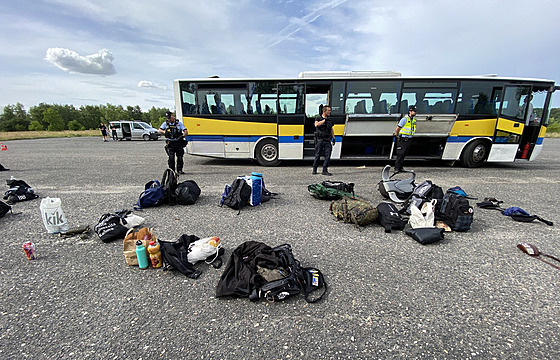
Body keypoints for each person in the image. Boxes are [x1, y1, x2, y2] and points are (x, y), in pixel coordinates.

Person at [394, 105, 417, 173]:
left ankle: (400, 167)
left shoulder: (414, 120)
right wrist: (397, 135)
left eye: (415, 111)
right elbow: (398, 128)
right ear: (410, 111)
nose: (415, 113)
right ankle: (397, 168)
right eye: (414, 111)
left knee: (404, 154)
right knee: (400, 153)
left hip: (409, 139)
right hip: (403, 139)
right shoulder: (405, 119)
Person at [312, 105, 335, 176]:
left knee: (328, 155)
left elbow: (331, 129)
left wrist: (333, 138)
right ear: (324, 111)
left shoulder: (330, 120)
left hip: (327, 139)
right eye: (329, 111)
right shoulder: (318, 118)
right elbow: (316, 125)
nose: (330, 112)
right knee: (317, 155)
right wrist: (324, 121)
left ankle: (325, 170)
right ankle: (314, 169)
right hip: (320, 140)